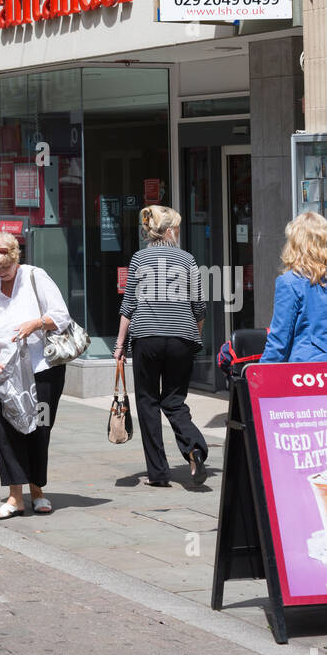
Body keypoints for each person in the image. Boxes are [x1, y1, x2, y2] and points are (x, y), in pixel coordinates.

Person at [0, 231, 70, 518]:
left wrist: (36, 324)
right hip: (4, 375)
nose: (0, 272)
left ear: (15, 258)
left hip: (42, 372)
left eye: (4, 266)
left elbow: (61, 316)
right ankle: (15, 497)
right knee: (7, 433)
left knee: (40, 430)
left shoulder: (34, 276)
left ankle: (37, 490)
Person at [113, 204, 208, 488]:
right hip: (181, 337)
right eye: (176, 227)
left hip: (147, 338)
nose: (178, 232)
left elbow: (128, 306)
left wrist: (119, 345)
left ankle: (158, 472)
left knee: (148, 401)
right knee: (174, 400)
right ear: (169, 231)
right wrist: (196, 338)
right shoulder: (187, 259)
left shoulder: (140, 259)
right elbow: (198, 307)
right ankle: (194, 449)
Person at [260, 211, 327, 363]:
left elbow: (279, 339)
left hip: (306, 372)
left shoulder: (289, 282)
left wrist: (261, 376)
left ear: (294, 244)